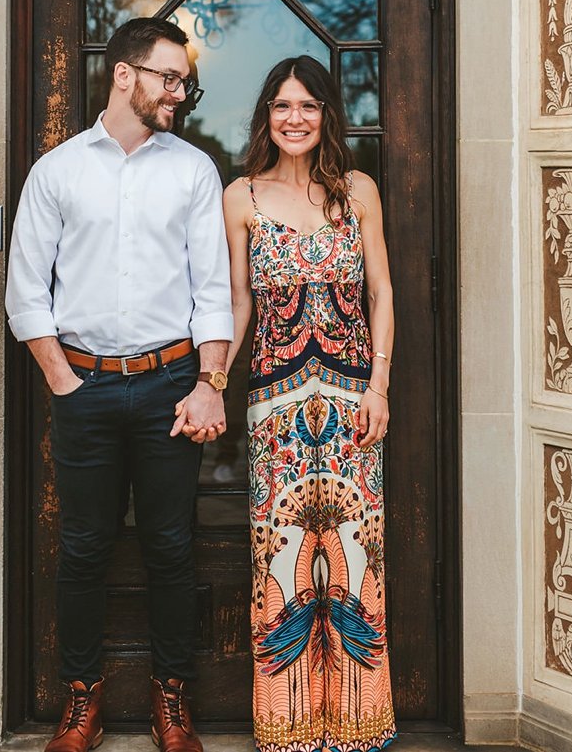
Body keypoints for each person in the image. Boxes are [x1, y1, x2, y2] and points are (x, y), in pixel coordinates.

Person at [5, 17, 233, 752]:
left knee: (171, 546)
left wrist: (209, 381)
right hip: (87, 391)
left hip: (174, 386)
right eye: (170, 76)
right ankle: (82, 700)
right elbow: (25, 293)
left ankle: (174, 699)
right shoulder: (58, 170)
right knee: (82, 548)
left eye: (185, 80)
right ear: (124, 74)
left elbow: (214, 291)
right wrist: (63, 381)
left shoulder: (193, 169)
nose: (182, 91)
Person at [223, 57, 396, 752]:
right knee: (283, 558)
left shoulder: (357, 190)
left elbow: (382, 291)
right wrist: (212, 378)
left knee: (356, 560)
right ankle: (290, 732)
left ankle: (356, 728)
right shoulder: (241, 195)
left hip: (355, 404)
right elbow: (238, 301)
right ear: (266, 114)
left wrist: (380, 385)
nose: (295, 117)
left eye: (309, 104)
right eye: (282, 105)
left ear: (327, 113)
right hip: (276, 409)